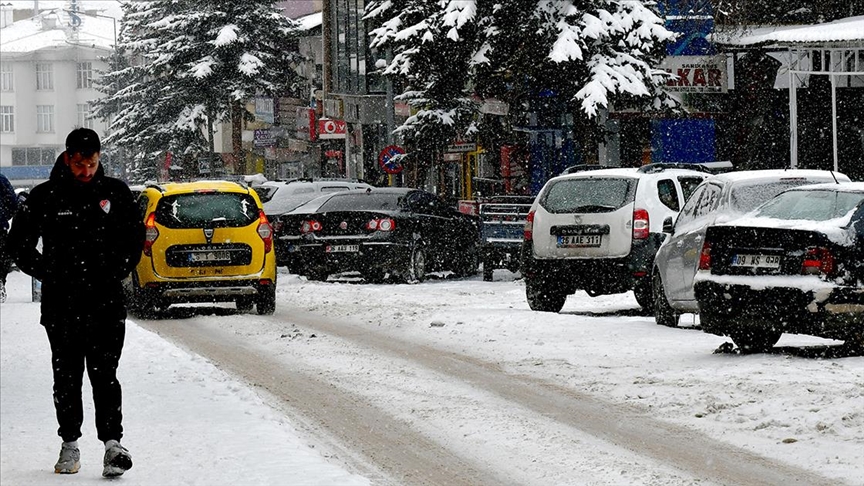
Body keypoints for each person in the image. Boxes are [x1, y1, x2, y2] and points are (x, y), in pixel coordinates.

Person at [8, 128, 145, 477]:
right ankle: (69, 443)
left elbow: (134, 238)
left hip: (105, 303)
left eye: (93, 163)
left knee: (105, 375)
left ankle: (113, 444)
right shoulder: (45, 197)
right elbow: (18, 245)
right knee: (66, 376)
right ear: (68, 158)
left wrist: (115, 268)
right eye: (80, 164)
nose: (86, 171)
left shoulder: (115, 193)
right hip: (62, 305)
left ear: (100, 159)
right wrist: (49, 272)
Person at [0, 172, 18, 303]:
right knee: (3, 256)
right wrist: (4, 216)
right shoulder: (1, 180)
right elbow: (12, 203)